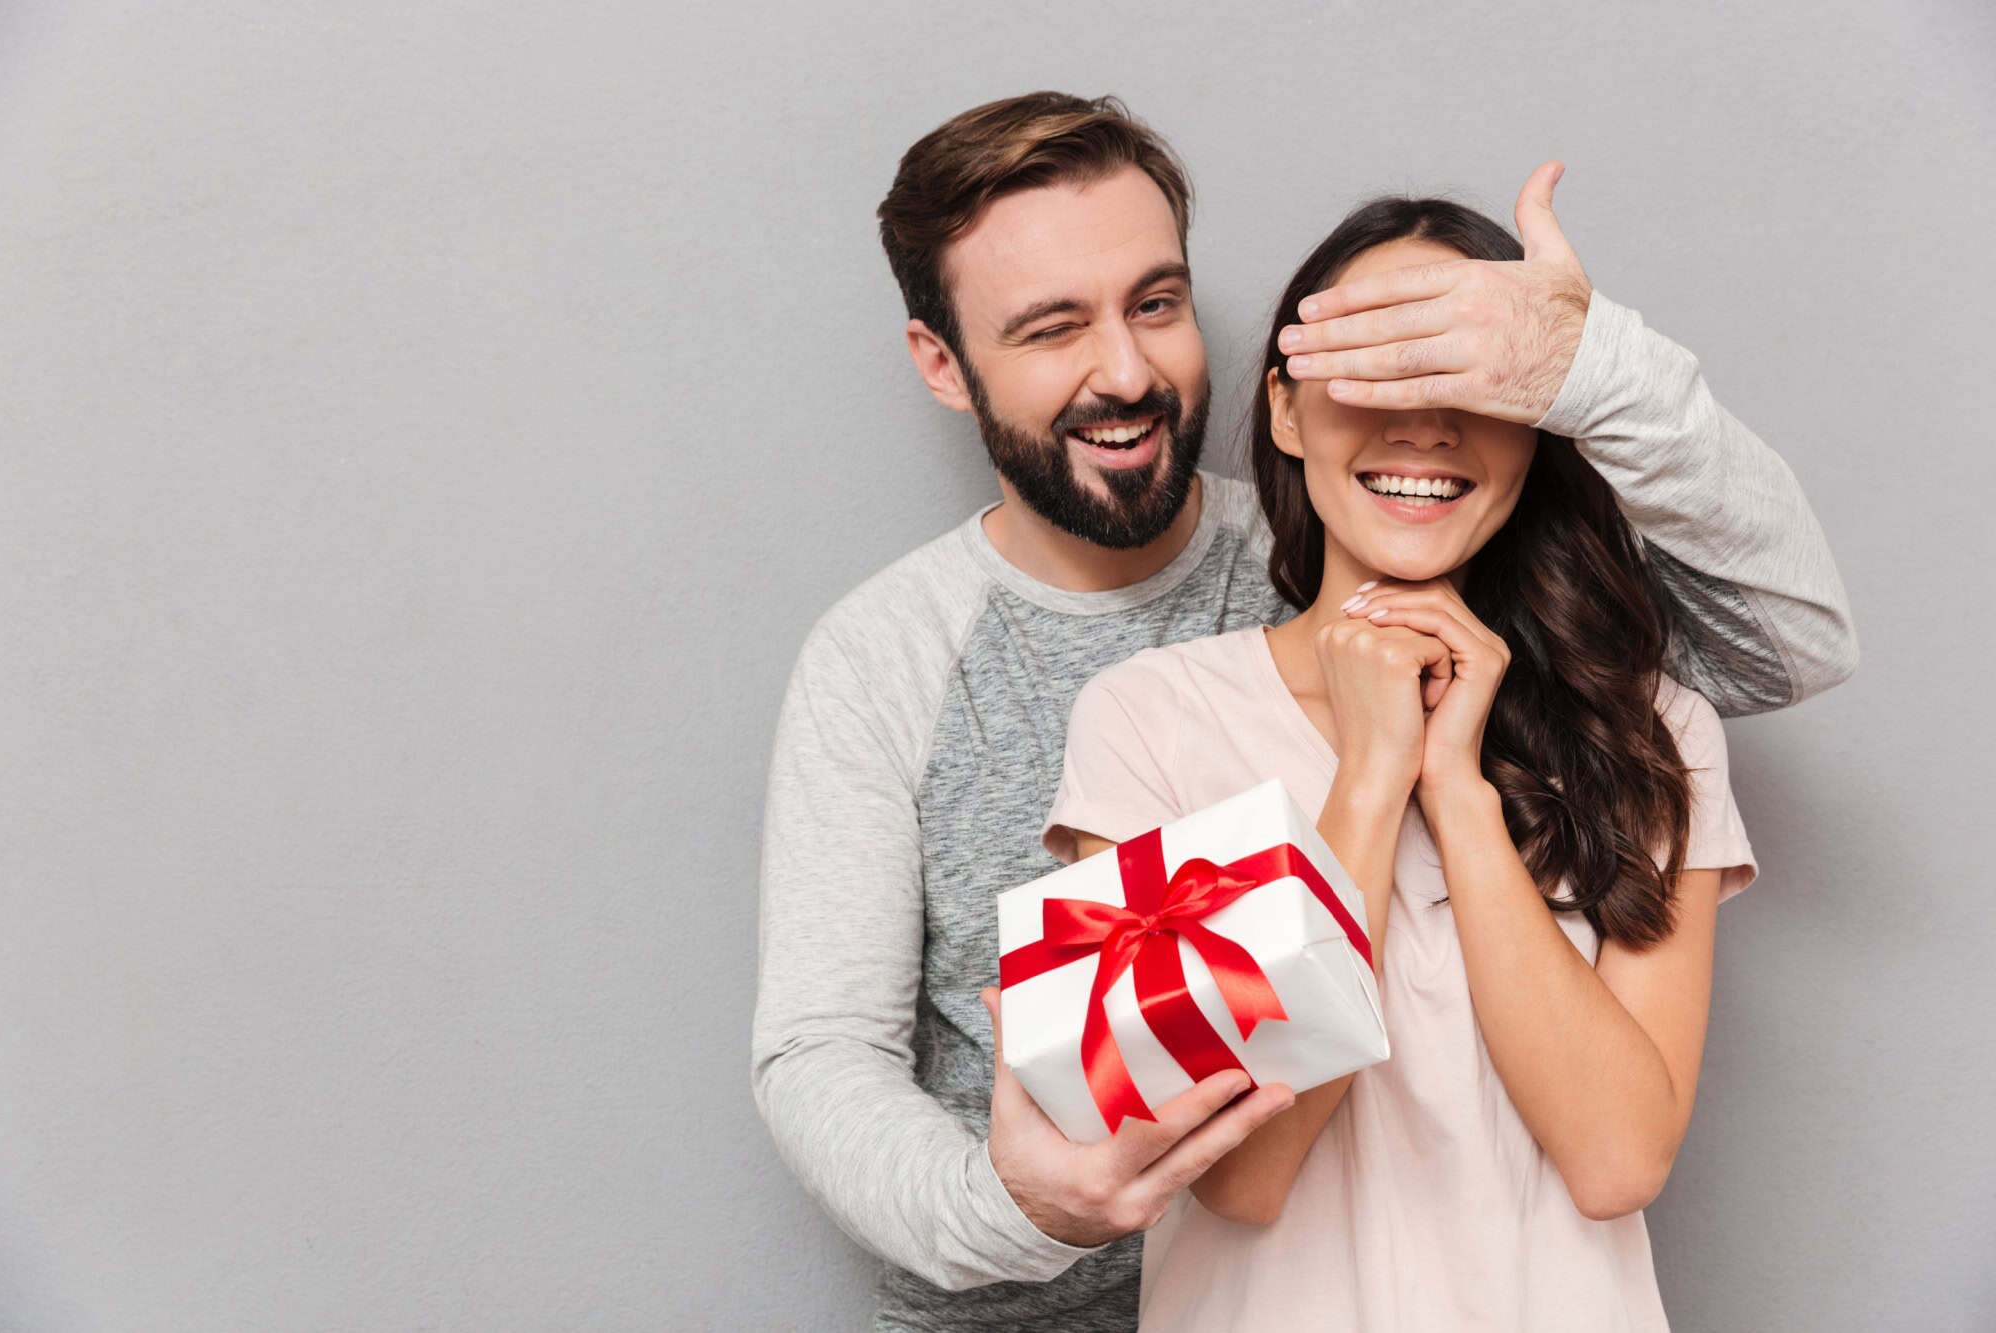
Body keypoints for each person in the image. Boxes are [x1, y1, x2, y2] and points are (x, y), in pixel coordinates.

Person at [751, 91, 1855, 1332]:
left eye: (1154, 304)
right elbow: (828, 1056)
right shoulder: (1005, 682)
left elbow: (1784, 640)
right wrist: (1031, 1209)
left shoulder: (1452, 584)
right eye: (1052, 326)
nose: (1123, 369)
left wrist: (1589, 366)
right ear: (943, 361)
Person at [1041, 196, 1768, 1331]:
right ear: (1282, 409)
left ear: (1534, 424)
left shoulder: (1656, 731)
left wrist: (1457, 789)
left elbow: (1618, 1159)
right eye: (1373, 374)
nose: (1425, 427)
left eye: (1469, 385)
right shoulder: (1142, 722)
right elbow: (1237, 1175)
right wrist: (1369, 783)